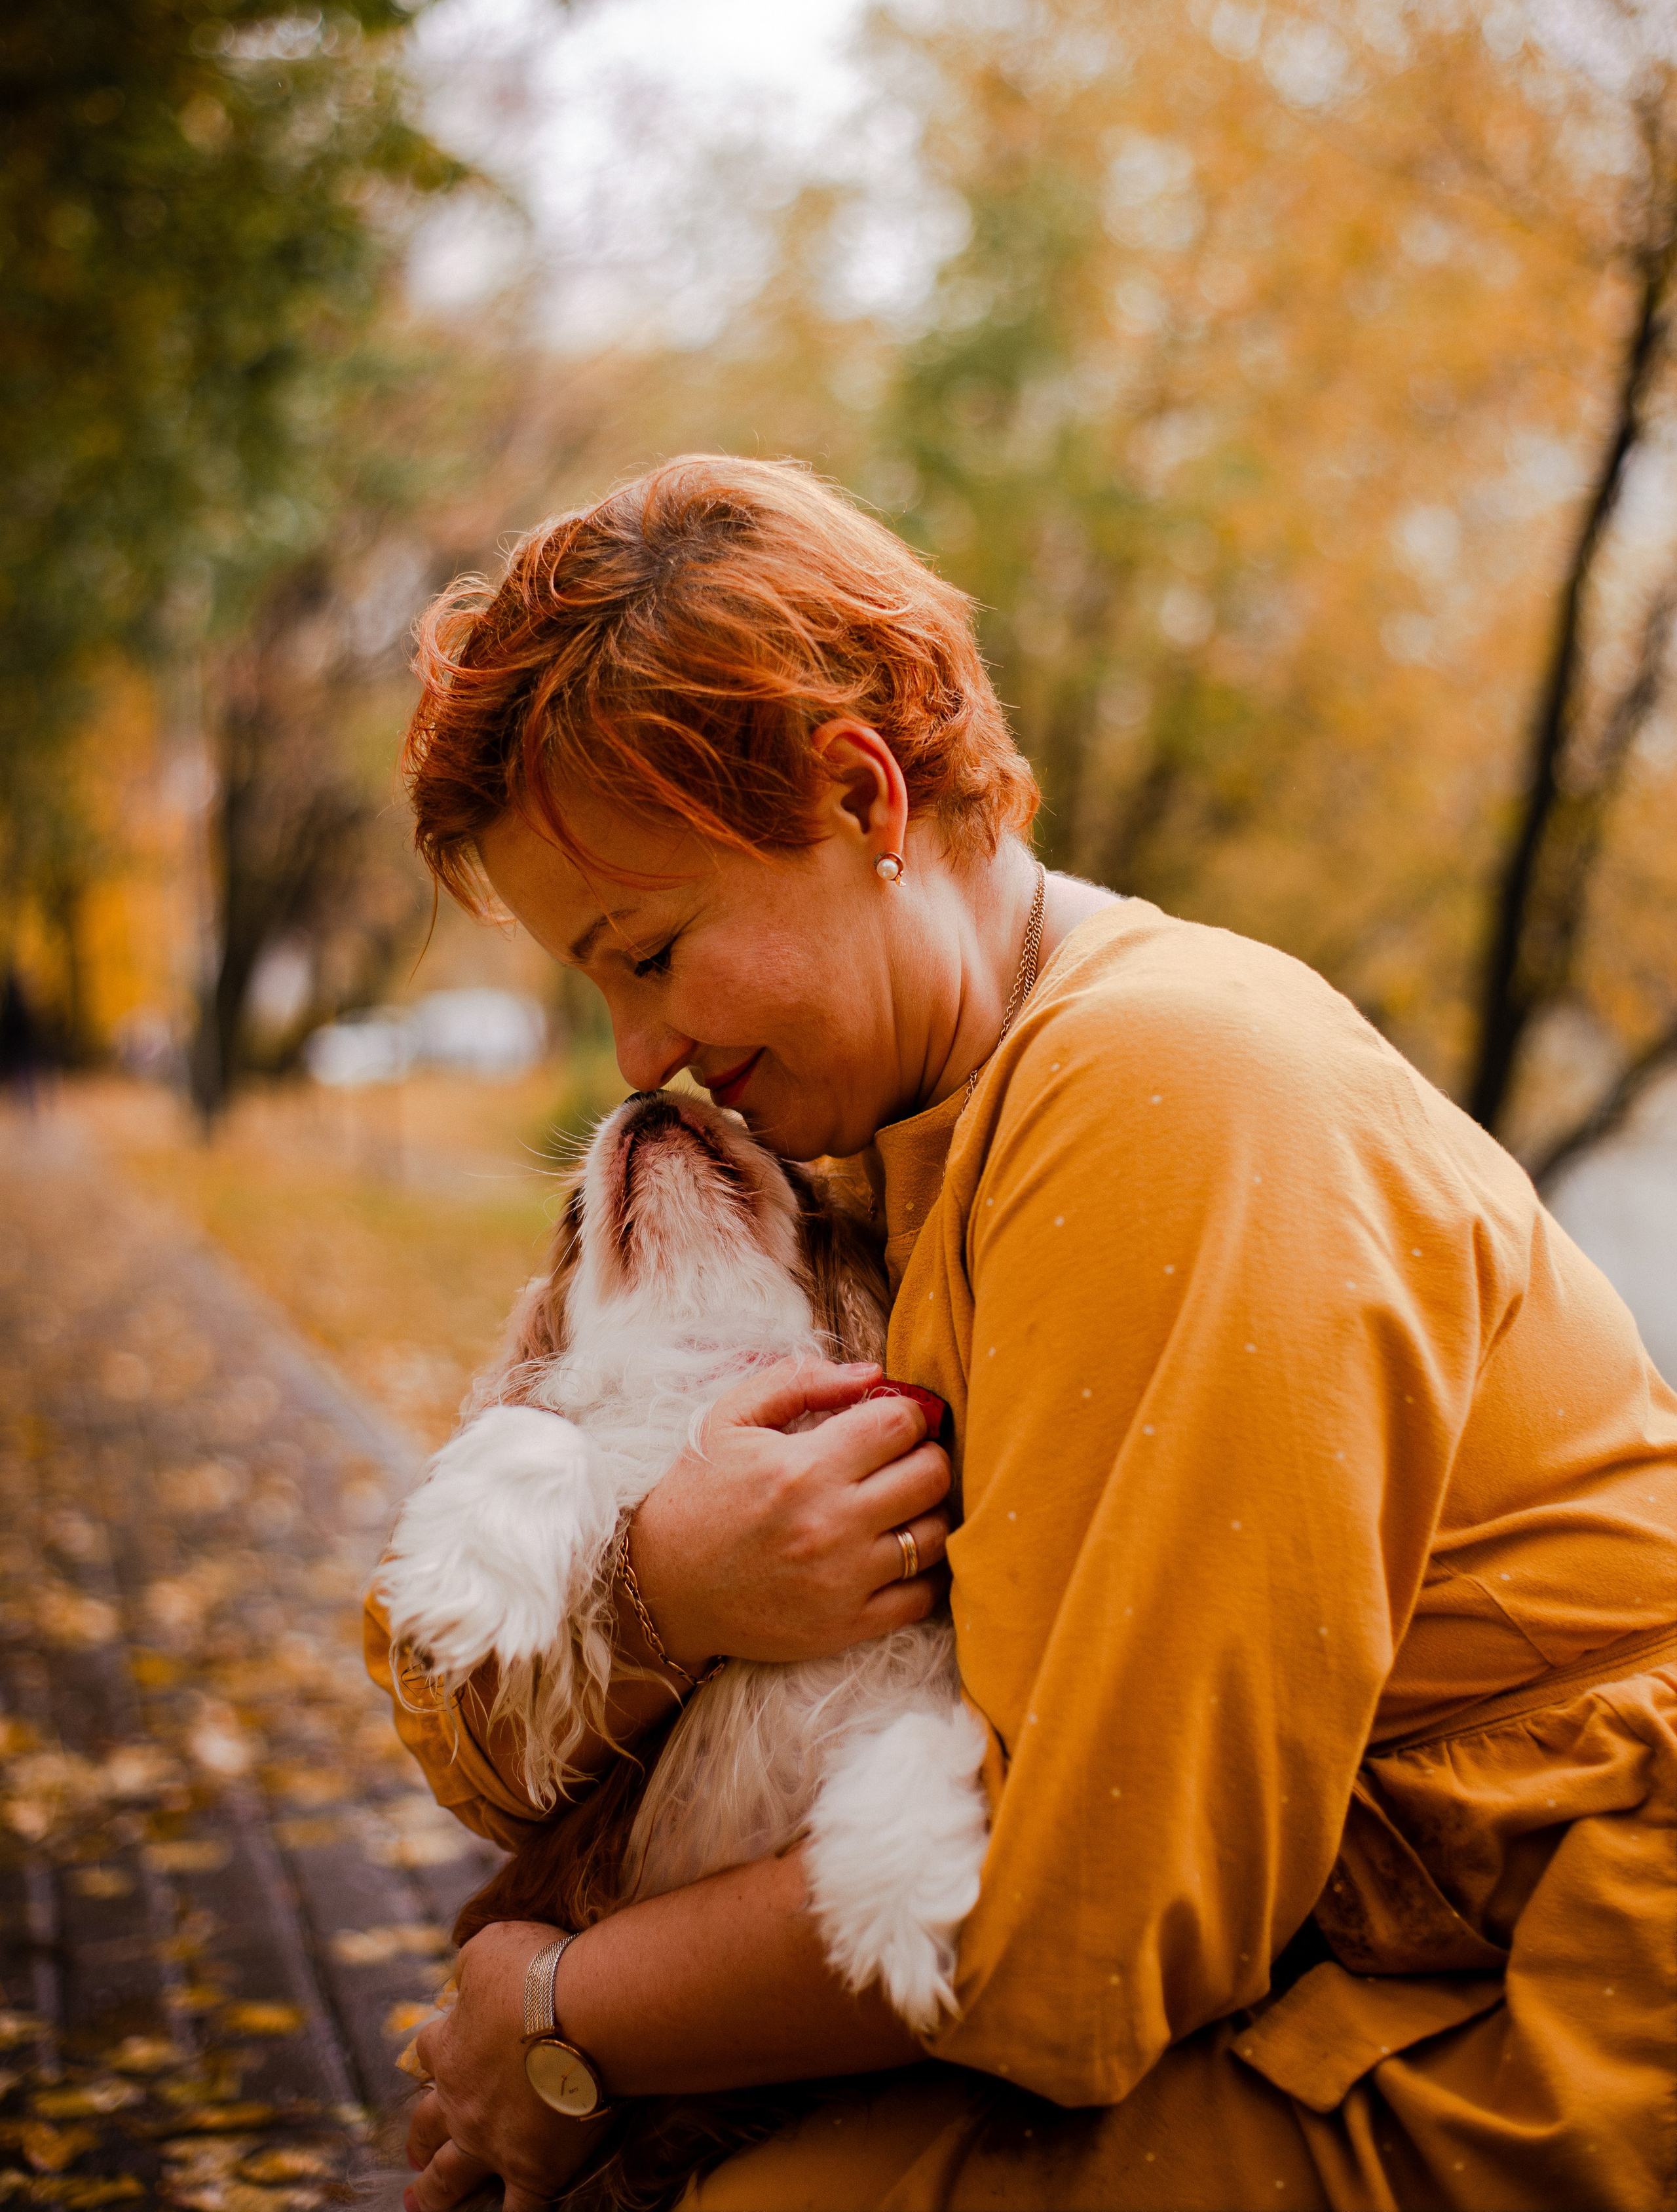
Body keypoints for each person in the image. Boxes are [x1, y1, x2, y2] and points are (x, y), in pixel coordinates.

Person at [366, 455, 1676, 2212]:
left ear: (861, 793)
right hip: (1336, 1974)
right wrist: (661, 1592)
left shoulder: (1169, 1089)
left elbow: (1078, 1936)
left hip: (1541, 2011)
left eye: (655, 951)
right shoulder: (874, 1140)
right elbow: (456, 1699)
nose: (634, 1056)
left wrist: (552, 2017)